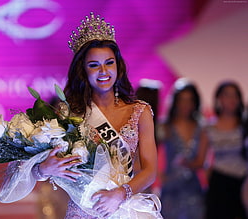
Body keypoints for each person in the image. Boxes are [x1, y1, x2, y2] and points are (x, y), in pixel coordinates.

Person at [31, 12, 161, 218]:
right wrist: (43, 169)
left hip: (123, 207)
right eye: (94, 65)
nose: (103, 71)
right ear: (83, 71)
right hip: (83, 209)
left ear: (118, 67)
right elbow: (37, 167)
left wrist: (120, 194)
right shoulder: (67, 113)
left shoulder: (140, 111)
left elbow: (150, 171)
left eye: (109, 63)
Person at [188, 81, 247, 219]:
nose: (231, 100)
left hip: (243, 182)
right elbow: (201, 161)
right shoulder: (208, 128)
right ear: (219, 98)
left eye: (235, 96)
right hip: (219, 182)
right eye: (227, 95)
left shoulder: (244, 126)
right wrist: (184, 163)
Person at [157, 78, 205, 219]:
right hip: (170, 190)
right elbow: (151, 154)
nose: (186, 104)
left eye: (190, 100)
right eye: (182, 100)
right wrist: (159, 176)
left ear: (195, 103)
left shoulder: (201, 128)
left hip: (193, 190)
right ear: (175, 101)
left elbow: (202, 161)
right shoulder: (164, 126)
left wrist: (187, 164)